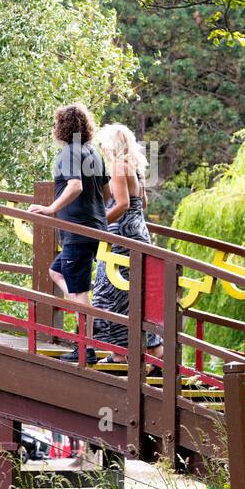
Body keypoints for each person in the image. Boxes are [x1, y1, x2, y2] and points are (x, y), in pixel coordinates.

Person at [28, 103, 108, 363]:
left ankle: (86, 346)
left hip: (76, 230)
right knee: (57, 272)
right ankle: (85, 309)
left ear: (62, 127)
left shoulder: (69, 153)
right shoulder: (93, 153)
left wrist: (51, 208)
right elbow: (106, 193)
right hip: (95, 228)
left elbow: (75, 186)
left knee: (78, 290)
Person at [91, 123, 163, 362]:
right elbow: (141, 203)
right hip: (137, 232)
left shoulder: (118, 167)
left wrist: (98, 225)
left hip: (122, 236)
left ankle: (121, 354)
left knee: (109, 290)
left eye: (102, 144)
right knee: (136, 294)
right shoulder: (133, 166)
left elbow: (122, 204)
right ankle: (154, 351)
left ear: (110, 145)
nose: (101, 149)